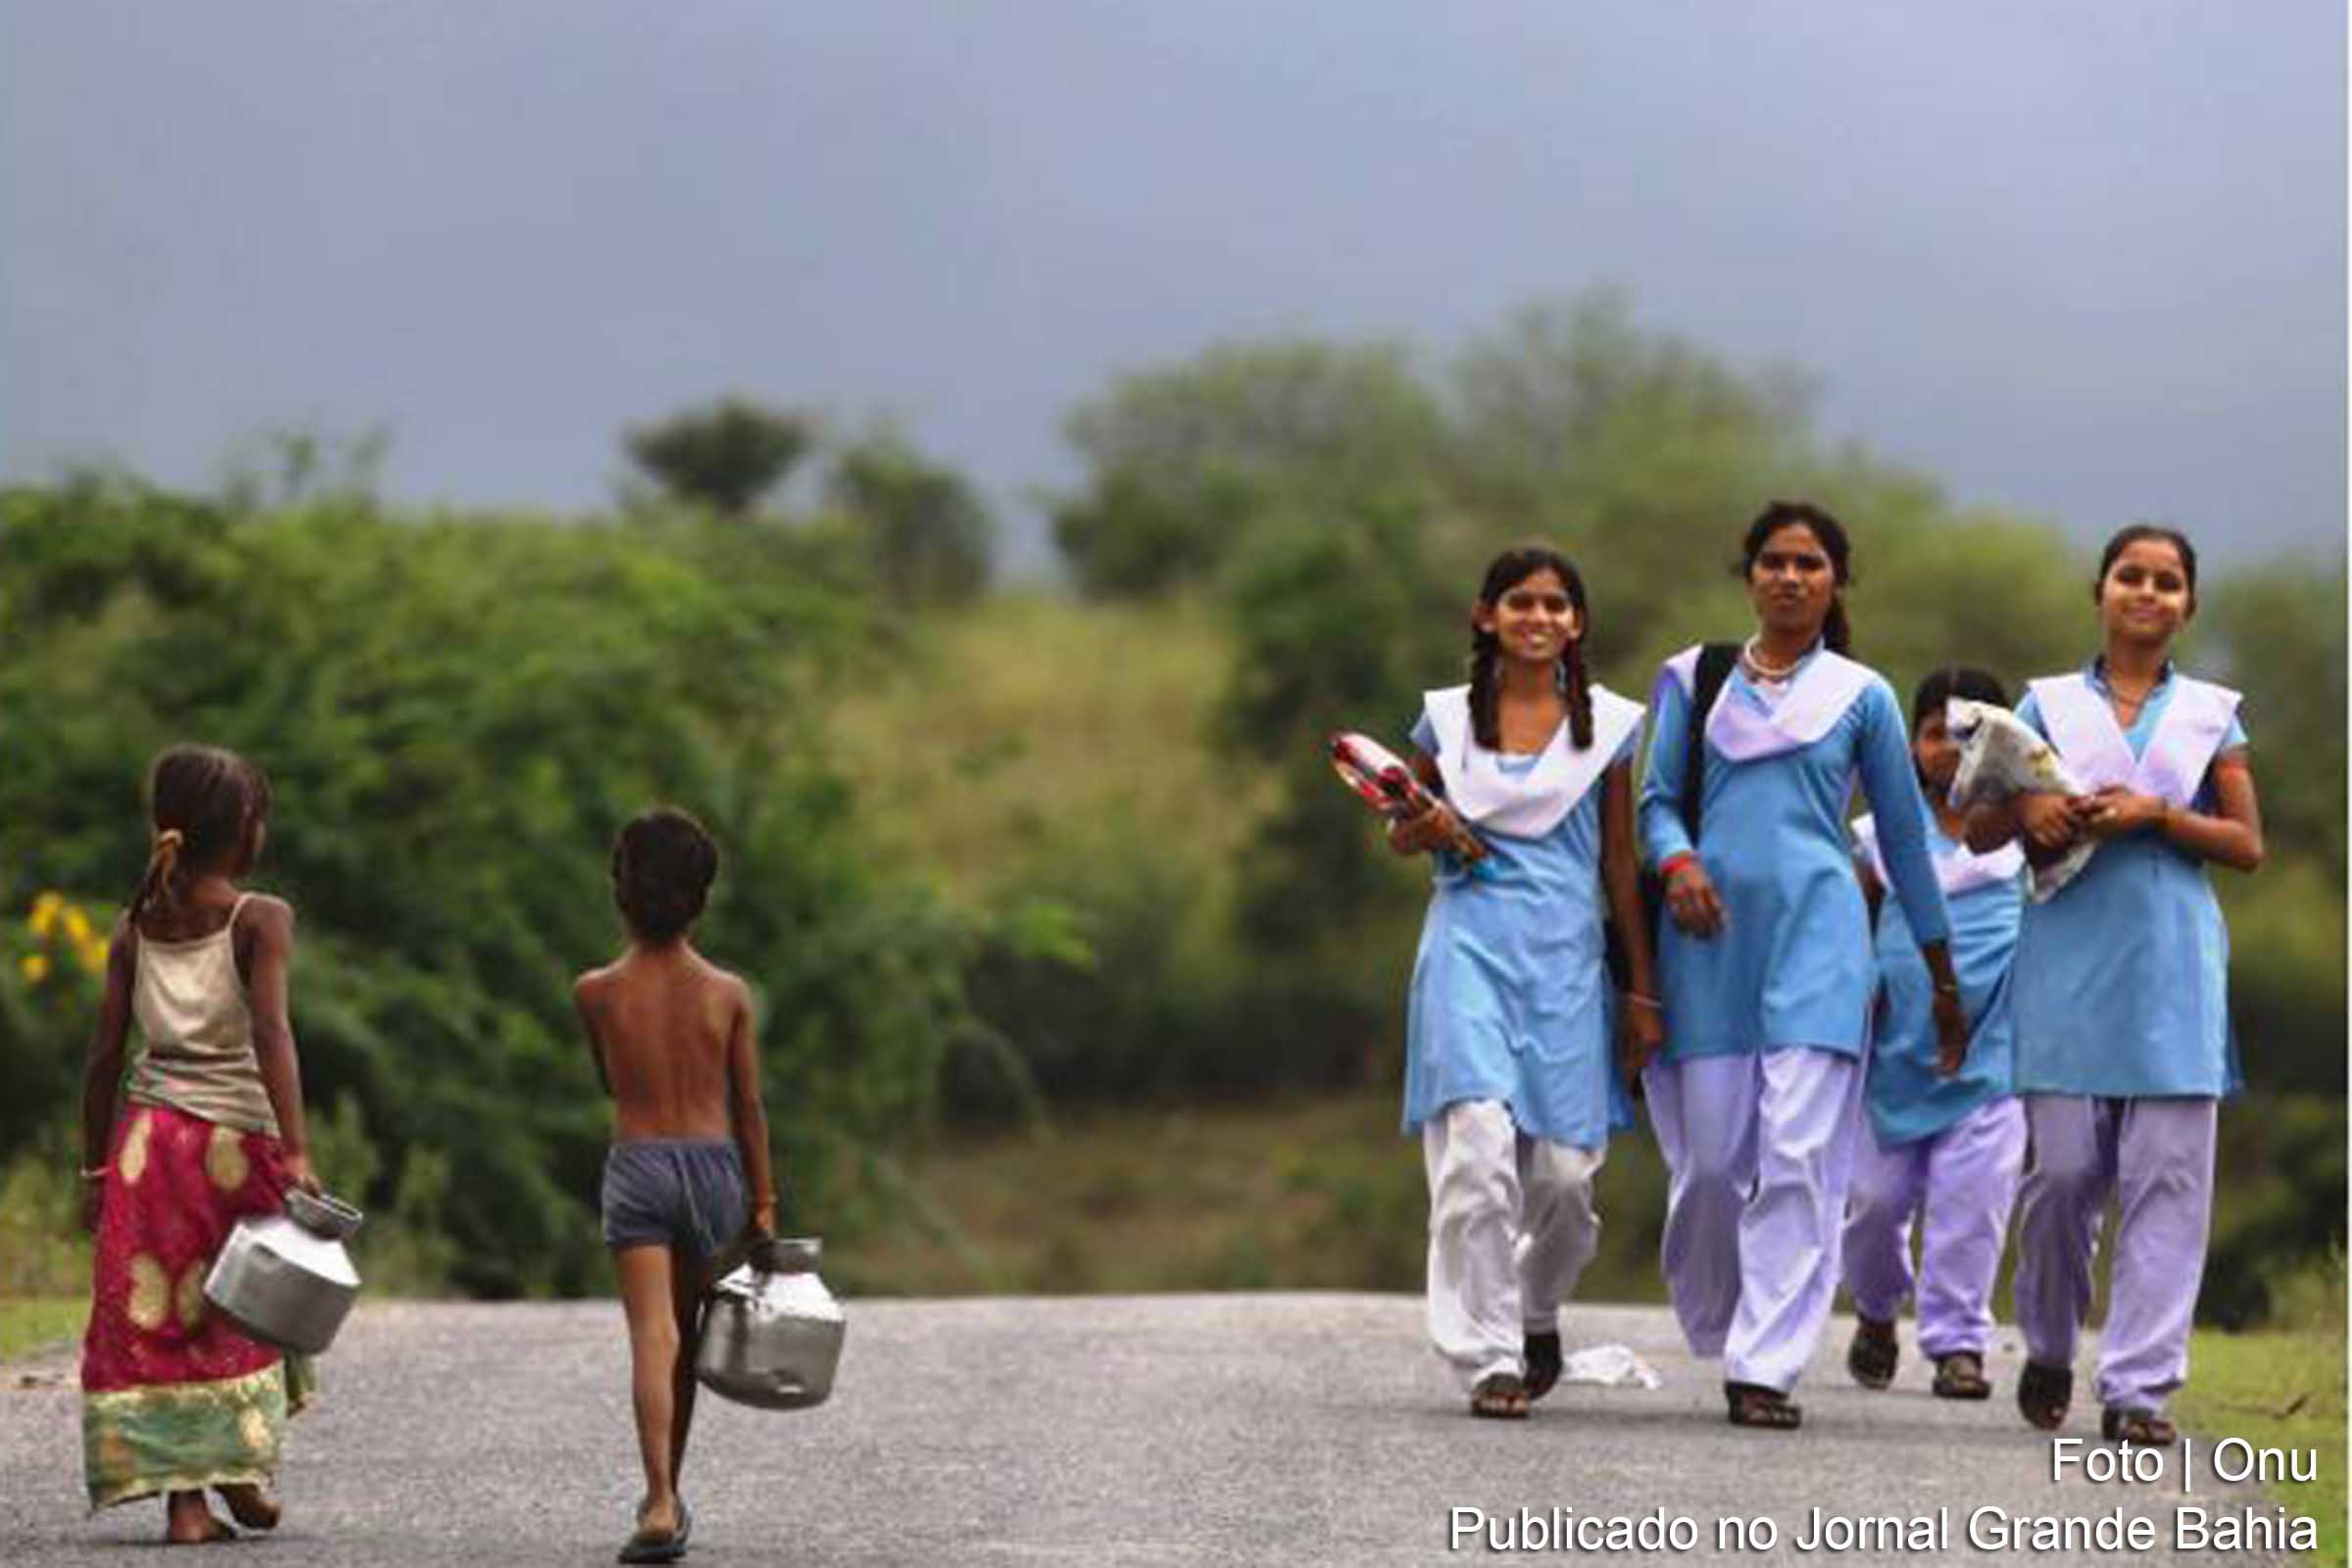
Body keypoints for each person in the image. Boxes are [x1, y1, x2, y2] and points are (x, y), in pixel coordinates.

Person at [1639, 500, 1968, 1431]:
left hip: (1822, 939)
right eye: (1775, 562)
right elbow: (1658, 802)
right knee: (1710, 1163)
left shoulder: (1861, 696)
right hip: (1709, 944)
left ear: (1835, 582)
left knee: (1796, 1156)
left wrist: (1941, 981)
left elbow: (1905, 842)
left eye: (1810, 565)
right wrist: (1679, 863)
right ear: (1748, 575)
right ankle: (1722, 1313)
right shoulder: (1692, 681)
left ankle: (1766, 1364)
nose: (1790, 577)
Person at [1962, 525, 2261, 1446]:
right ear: (2101, 590)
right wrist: (2029, 811)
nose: (2147, 592)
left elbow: (2246, 844)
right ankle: (2049, 1341)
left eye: (2167, 581)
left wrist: (2159, 813)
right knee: (2060, 1179)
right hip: (2066, 962)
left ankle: (2138, 1387)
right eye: (2131, 576)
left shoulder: (2212, 714)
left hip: (2172, 966)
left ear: (2188, 605)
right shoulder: (2045, 705)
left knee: (2169, 1182)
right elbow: (1975, 830)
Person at [1385, 544, 1663, 1420]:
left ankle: (1537, 1308)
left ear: (1577, 623)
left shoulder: (1610, 727)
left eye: (1555, 605)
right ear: (1486, 616)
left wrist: (1642, 991)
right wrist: (1424, 826)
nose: (1537, 618)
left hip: (1565, 964)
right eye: (1520, 603)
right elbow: (1401, 830)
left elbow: (1620, 865)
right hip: (1468, 950)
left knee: (1565, 1180)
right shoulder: (1447, 723)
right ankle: (1489, 1355)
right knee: (1475, 1155)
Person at [78, 744, 321, 1542]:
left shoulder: (135, 925)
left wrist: (94, 1167)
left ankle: (194, 1503)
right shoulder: (261, 919)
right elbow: (272, 1031)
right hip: (231, 1142)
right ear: (245, 830)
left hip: (148, 1145)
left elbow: (105, 1057)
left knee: (166, 1322)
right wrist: (296, 1149)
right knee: (238, 1311)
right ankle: (238, 1467)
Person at [575, 807, 778, 1563]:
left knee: (649, 1336)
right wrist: (764, 1204)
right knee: (686, 1339)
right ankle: (670, 1493)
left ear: (620, 893)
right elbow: (749, 1108)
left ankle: (659, 1497)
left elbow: (608, 1081)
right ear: (702, 898)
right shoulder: (728, 993)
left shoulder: (594, 991)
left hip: (638, 1166)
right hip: (714, 1168)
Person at [1841, 668, 2028, 1401]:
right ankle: (1878, 1310)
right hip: (1891, 1057)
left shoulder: (2023, 840)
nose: (1950, 751)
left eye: (1969, 736)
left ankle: (1958, 1343)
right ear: (1907, 745)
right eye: (1933, 735)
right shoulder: (1878, 838)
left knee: (1972, 1202)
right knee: (1874, 1206)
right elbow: (1851, 935)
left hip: (1993, 1057)